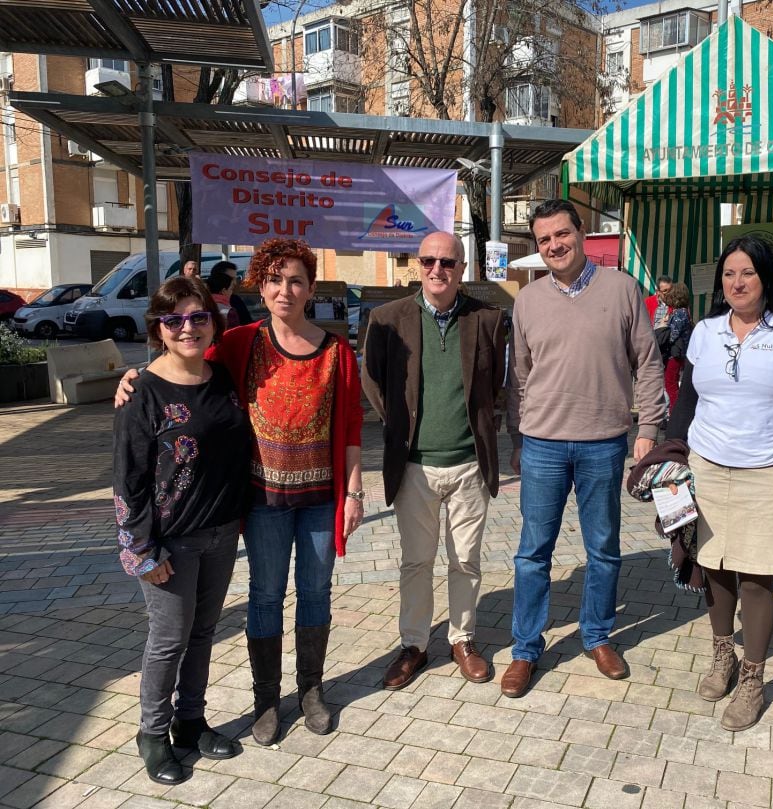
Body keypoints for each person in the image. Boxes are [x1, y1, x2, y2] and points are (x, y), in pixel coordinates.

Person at [117, 238, 364, 747]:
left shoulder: (337, 350)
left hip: (320, 500)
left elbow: (353, 426)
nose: (285, 290)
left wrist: (355, 492)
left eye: (296, 280)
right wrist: (134, 376)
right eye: (274, 280)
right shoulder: (242, 342)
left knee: (316, 593)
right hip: (263, 501)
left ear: (311, 288)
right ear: (261, 286)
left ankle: (312, 690)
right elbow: (183, 361)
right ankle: (267, 700)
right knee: (266, 596)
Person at [502, 199, 666, 698]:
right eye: (544, 239)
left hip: (604, 444)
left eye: (562, 234)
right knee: (533, 553)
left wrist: (649, 427)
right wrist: (517, 436)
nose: (554, 245)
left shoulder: (621, 289)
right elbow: (520, 377)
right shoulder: (527, 301)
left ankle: (596, 636)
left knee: (603, 550)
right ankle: (526, 649)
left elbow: (648, 361)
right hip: (543, 446)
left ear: (582, 232)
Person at [665, 235, 773, 732]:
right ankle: (723, 657)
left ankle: (753, 677)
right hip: (706, 467)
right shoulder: (704, 332)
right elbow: (686, 404)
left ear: (766, 279)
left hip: (770, 472)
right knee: (712, 568)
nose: (737, 282)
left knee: (757, 576)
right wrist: (671, 462)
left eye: (748, 273)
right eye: (729, 274)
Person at [113, 276, 249, 785]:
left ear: (212, 323)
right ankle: (152, 733)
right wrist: (142, 552)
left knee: (203, 635)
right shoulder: (142, 392)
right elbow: (127, 479)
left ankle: (191, 722)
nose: (187, 327)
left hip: (220, 533)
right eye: (174, 320)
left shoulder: (222, 377)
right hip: (169, 543)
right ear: (158, 328)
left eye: (197, 317)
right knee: (168, 640)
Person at [362, 231, 507, 690]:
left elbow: (500, 383)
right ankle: (414, 644)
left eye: (448, 262)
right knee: (416, 561)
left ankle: (462, 639)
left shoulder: (487, 319)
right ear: (418, 266)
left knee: (465, 560)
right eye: (429, 261)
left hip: (468, 462)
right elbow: (373, 383)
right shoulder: (387, 319)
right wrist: (403, 427)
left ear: (463, 269)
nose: (437, 270)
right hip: (414, 466)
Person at [660, 281, 693, 413]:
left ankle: (675, 412)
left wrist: (664, 326)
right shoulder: (684, 312)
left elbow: (673, 335)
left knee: (670, 383)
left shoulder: (679, 313)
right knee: (672, 383)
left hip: (675, 354)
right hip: (680, 353)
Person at [209, 260, 253, 325]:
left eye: (235, 278)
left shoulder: (236, 301)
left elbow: (247, 323)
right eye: (231, 279)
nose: (235, 283)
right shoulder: (202, 300)